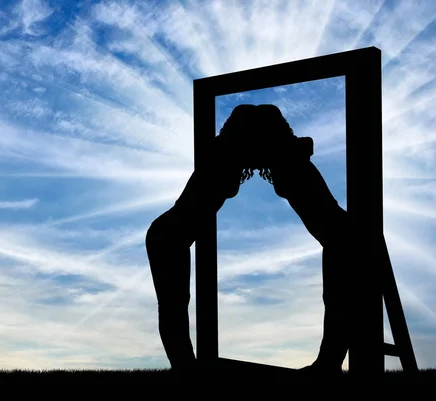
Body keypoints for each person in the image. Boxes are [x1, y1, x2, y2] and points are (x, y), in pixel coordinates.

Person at [145, 104, 273, 371]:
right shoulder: (220, 153)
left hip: (177, 238)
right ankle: (184, 369)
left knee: (176, 304)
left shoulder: (233, 154)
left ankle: (187, 369)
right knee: (173, 306)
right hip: (167, 235)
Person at [243, 106, 351, 377]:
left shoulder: (289, 157)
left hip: (339, 234)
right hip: (333, 236)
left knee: (338, 301)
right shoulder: (282, 156)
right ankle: (329, 365)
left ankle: (328, 366)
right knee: (335, 300)